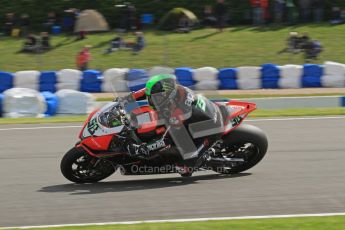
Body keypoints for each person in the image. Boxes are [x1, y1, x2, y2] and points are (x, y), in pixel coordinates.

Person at [115, 74, 224, 176]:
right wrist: (124, 101)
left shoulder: (178, 112)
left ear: (167, 95)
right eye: (151, 98)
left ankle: (206, 156)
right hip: (199, 118)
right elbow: (145, 92)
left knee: (184, 169)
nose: (151, 101)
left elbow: (165, 140)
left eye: (156, 98)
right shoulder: (174, 90)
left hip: (212, 129)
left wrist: (142, 149)